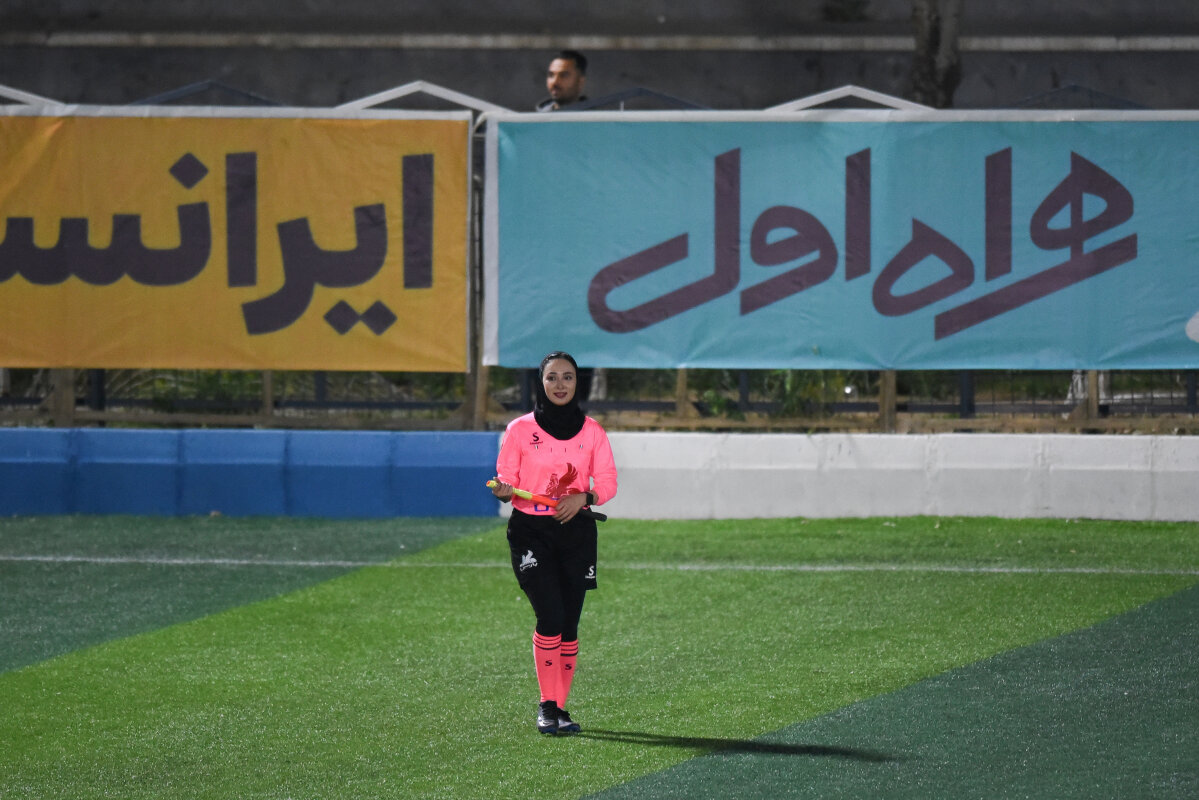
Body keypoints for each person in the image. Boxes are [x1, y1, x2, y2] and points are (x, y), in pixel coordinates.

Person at [490, 351, 617, 735]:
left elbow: (607, 483)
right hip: (531, 533)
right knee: (551, 616)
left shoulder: (593, 432)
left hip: (577, 533)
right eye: (552, 377)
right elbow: (506, 481)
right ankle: (546, 707)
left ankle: (561, 709)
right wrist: (503, 489)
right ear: (540, 382)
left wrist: (584, 497)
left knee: (570, 624)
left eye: (567, 377)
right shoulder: (518, 430)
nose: (560, 384)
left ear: (578, 383)